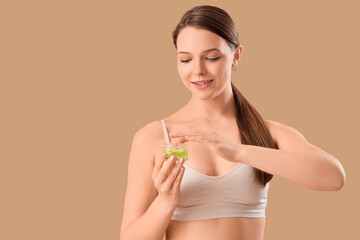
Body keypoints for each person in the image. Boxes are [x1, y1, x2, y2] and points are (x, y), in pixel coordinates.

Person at [120, 5, 346, 240]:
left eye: (211, 57)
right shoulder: (155, 137)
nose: (197, 70)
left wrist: (237, 151)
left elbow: (334, 177)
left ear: (235, 56)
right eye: (186, 60)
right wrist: (165, 203)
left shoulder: (266, 132)